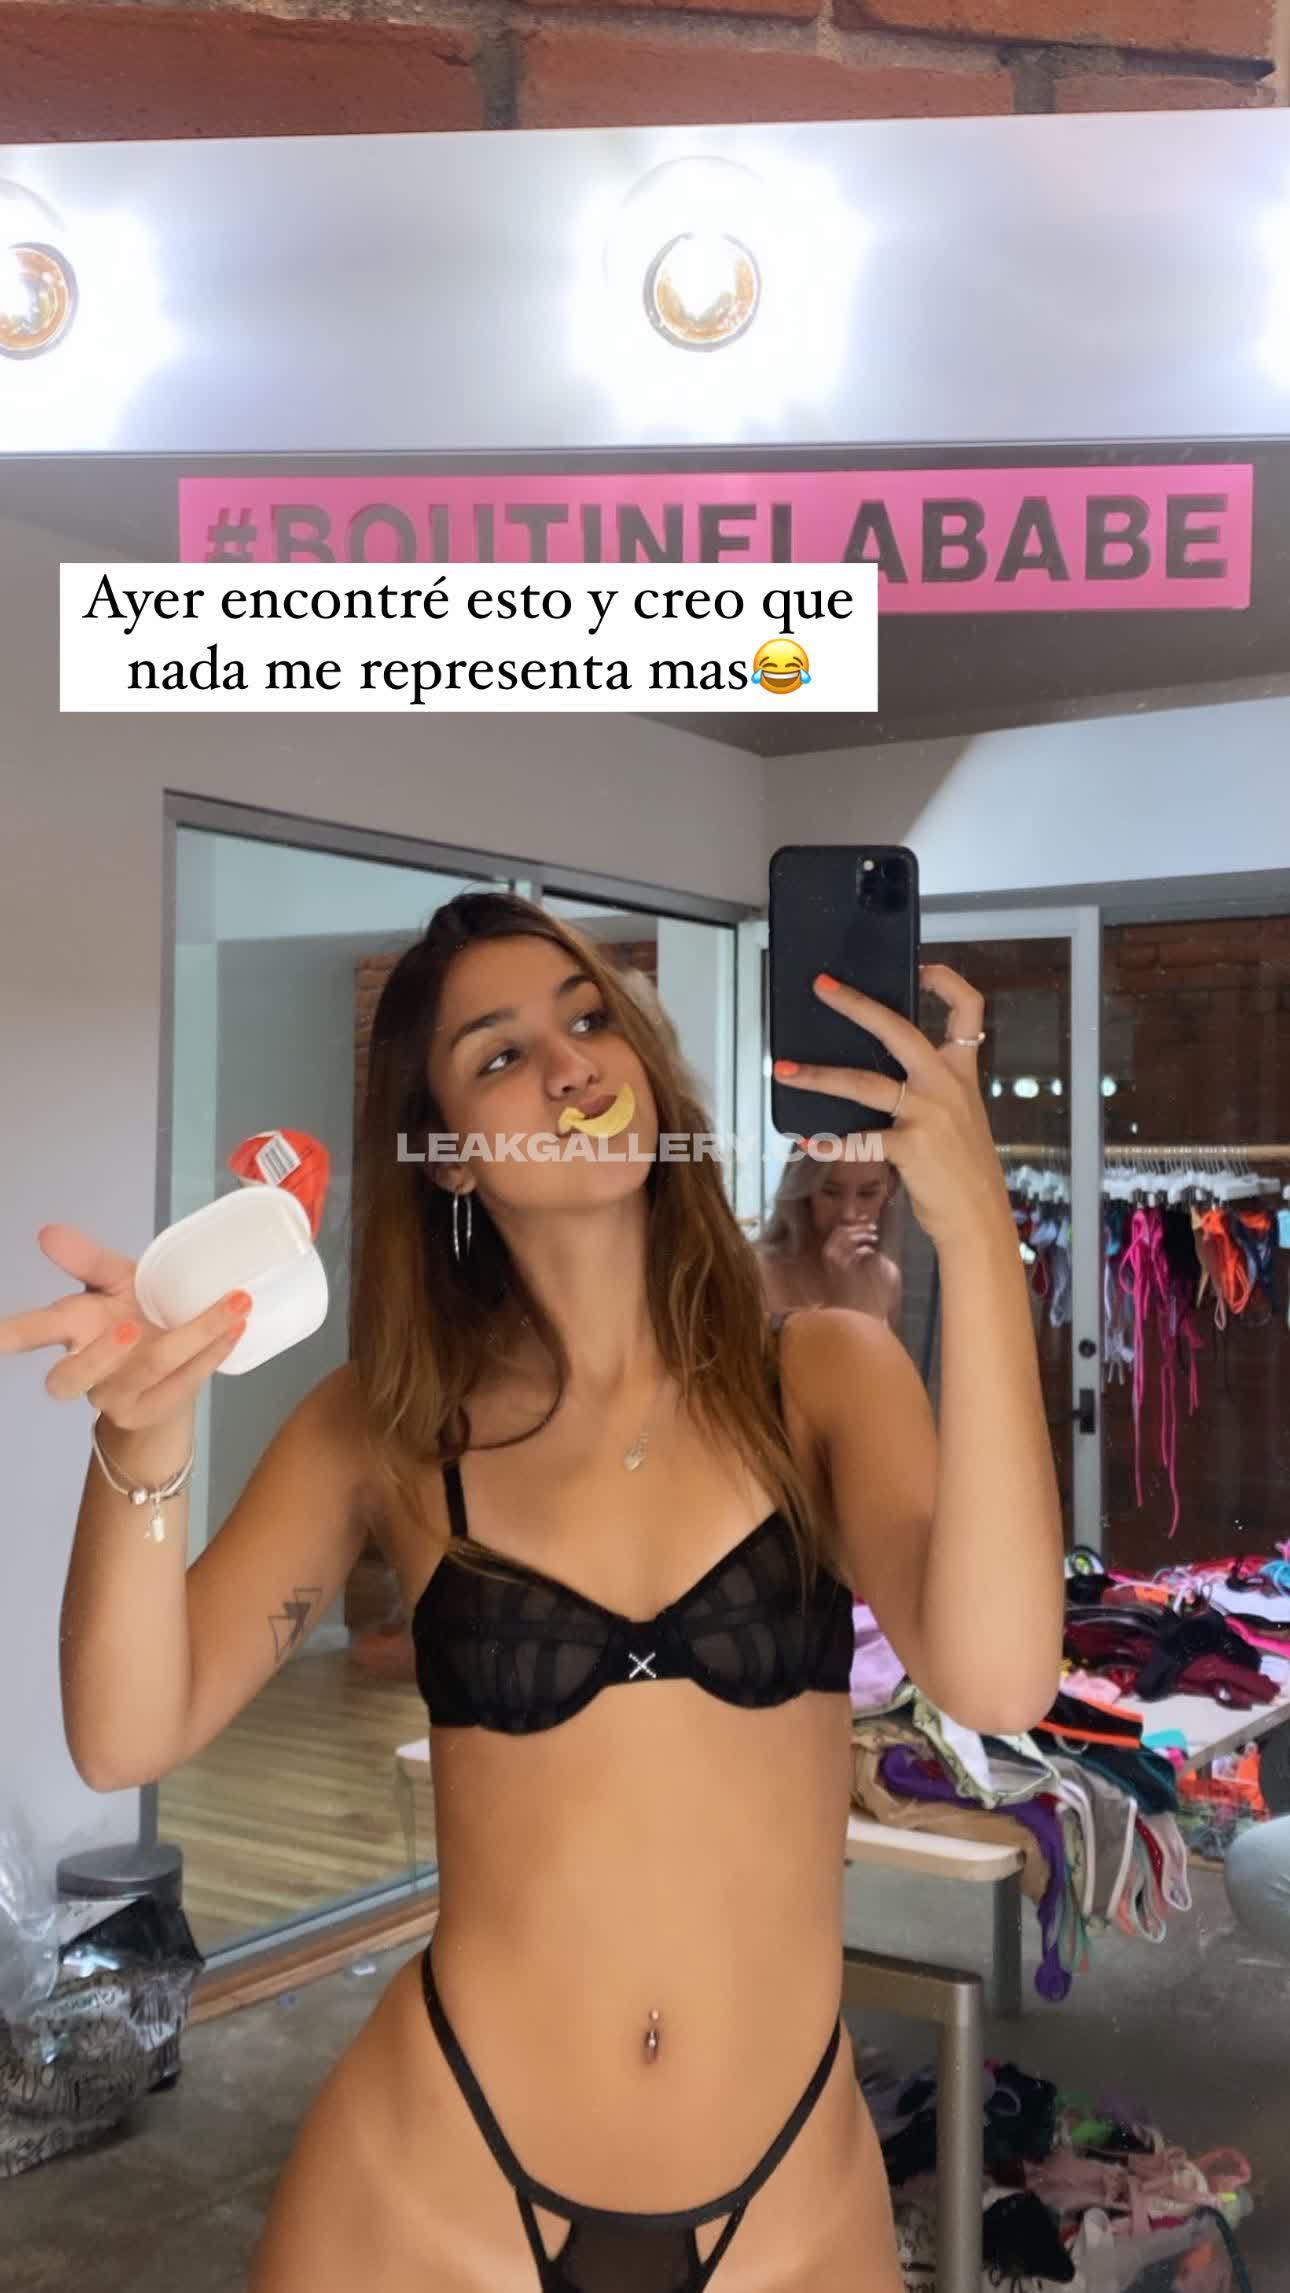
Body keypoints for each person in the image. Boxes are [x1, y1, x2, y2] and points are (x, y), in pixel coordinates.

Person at [3, 891, 1064, 2293]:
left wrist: (976, 1233)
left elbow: (1000, 1676)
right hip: (439, 2177)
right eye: (500, 1055)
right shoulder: (385, 1429)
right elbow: (125, 1735)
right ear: (446, 1152)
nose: (571, 1066)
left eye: (588, 1019)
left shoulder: (819, 1376)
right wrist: (139, 1444)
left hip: (788, 2197)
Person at [756, 1147, 904, 1330]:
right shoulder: (759, 1272)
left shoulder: (886, 1277)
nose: (849, 1214)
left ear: (890, 1189)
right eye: (831, 1192)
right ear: (805, 1190)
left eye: (867, 1194)